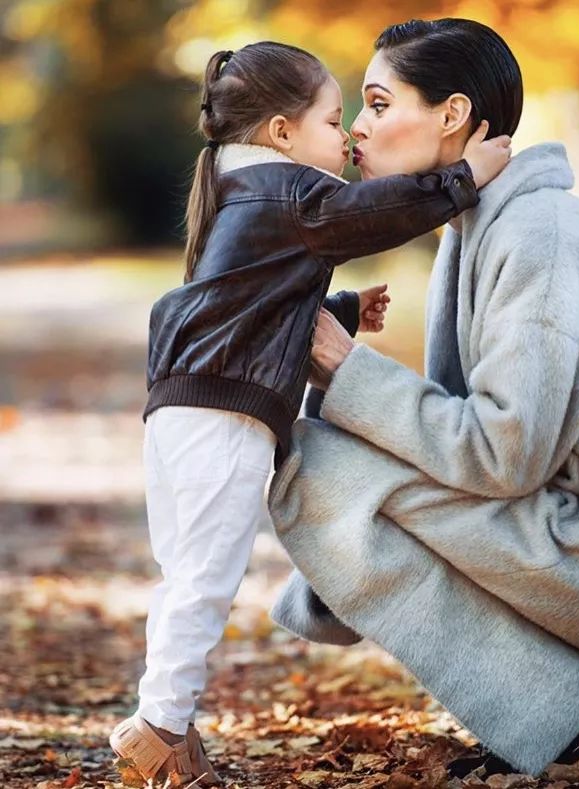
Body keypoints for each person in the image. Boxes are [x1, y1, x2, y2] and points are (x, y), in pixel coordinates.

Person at [267, 19, 579, 779]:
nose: (359, 132)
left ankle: (569, 720)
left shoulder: (538, 236)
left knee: (316, 471)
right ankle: (553, 711)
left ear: (453, 115)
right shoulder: (481, 225)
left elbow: (501, 452)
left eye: (378, 105)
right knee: (329, 458)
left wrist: (341, 364)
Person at [107, 40, 512, 787]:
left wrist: (344, 309)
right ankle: (158, 724)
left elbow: (253, 300)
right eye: (333, 119)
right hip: (222, 414)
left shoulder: (244, 191)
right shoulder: (288, 190)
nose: (348, 134)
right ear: (283, 132)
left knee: (182, 571)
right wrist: (462, 179)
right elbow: (371, 215)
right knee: (205, 575)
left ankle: (169, 724)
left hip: (180, 407)